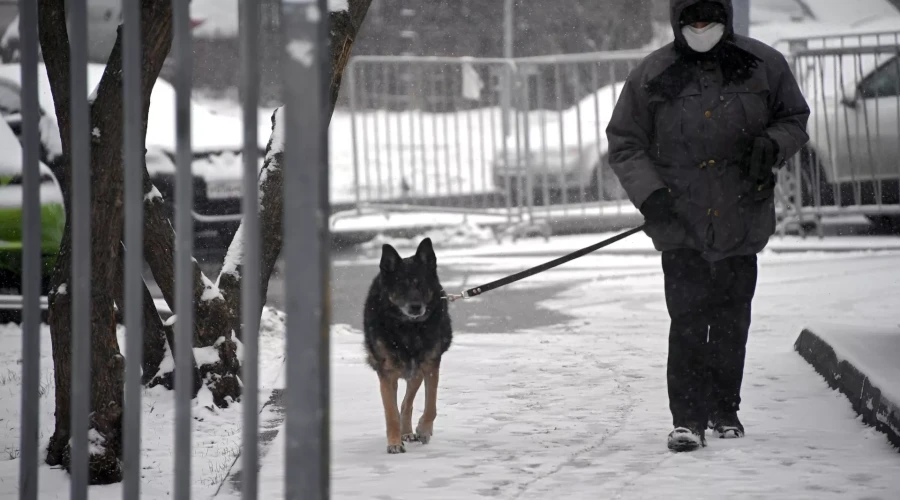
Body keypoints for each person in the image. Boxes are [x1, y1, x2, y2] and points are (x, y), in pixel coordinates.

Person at [606, 0, 810, 452]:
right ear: (678, 23)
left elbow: (795, 119)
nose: (701, 28)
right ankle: (688, 419)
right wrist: (651, 194)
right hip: (680, 221)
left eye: (709, 19)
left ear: (726, 19)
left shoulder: (764, 65)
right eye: (692, 20)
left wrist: (772, 146)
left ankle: (725, 409)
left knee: (733, 318)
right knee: (688, 321)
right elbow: (624, 143)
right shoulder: (650, 74)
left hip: (743, 214)